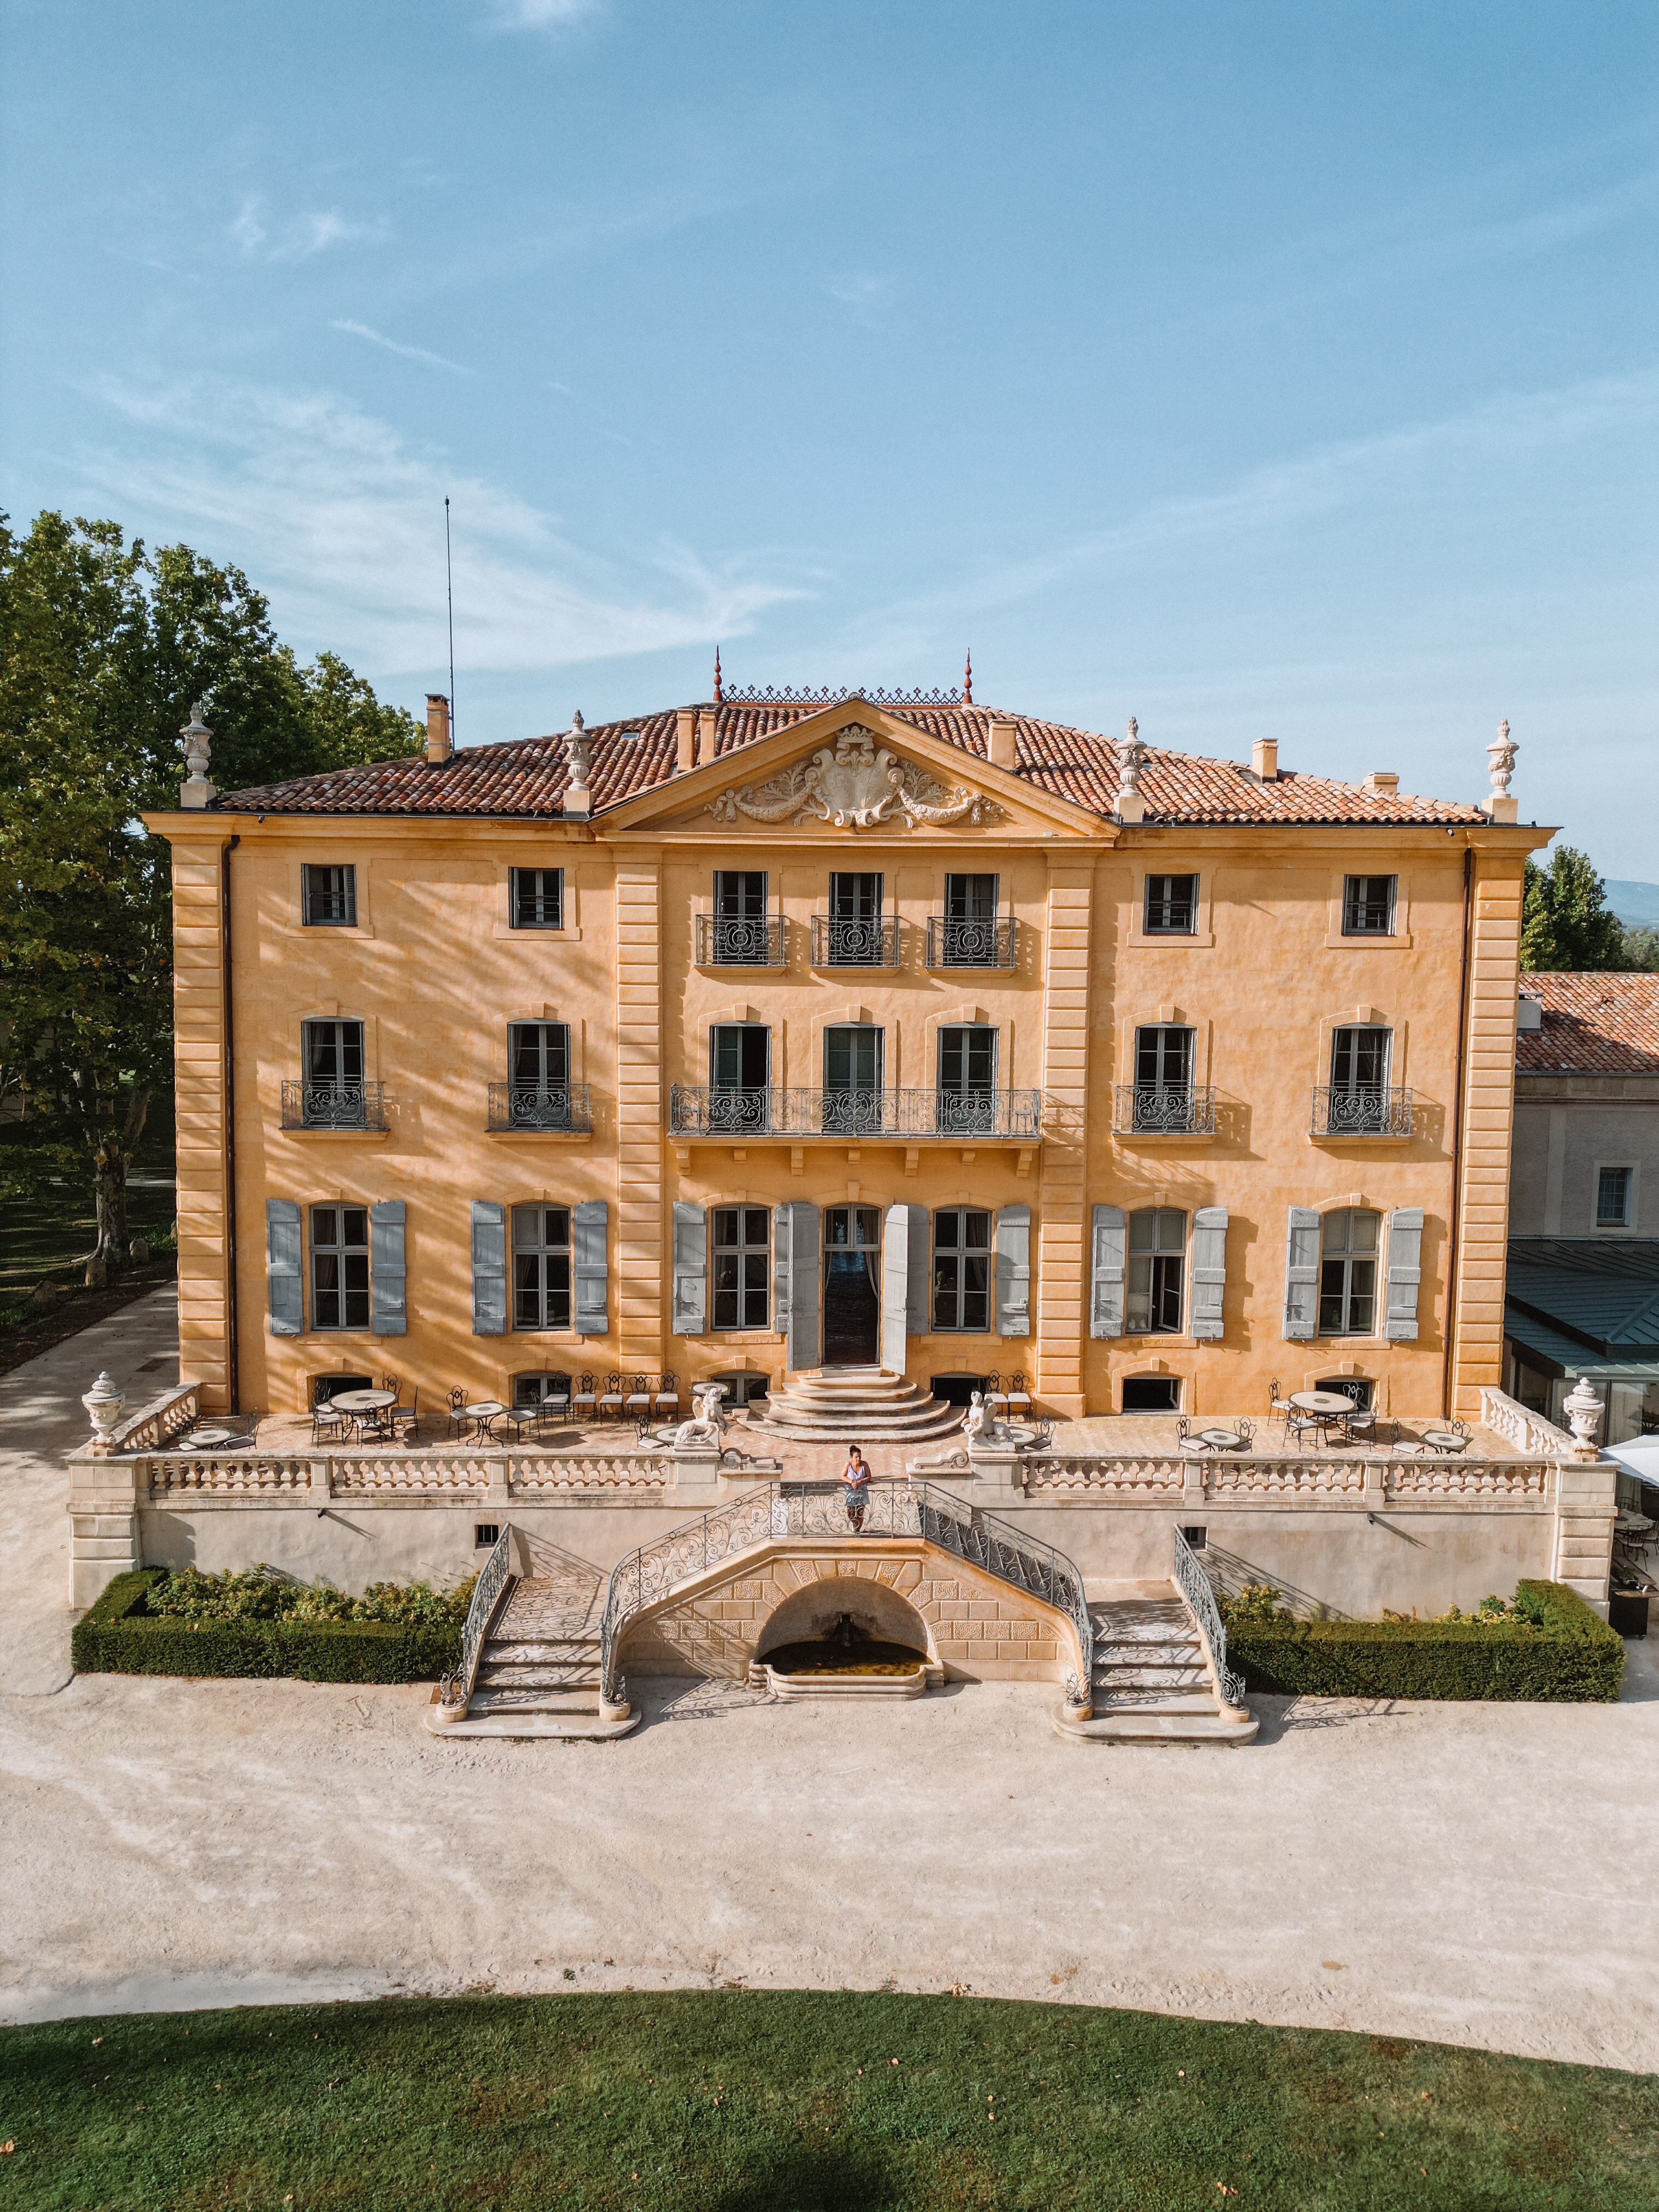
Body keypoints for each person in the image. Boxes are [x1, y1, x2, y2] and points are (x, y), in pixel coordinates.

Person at [841, 1443, 870, 1532]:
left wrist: (860, 1482)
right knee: (851, 1512)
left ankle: (857, 1531)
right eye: (856, 1457)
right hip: (851, 1492)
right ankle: (855, 1524)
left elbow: (869, 1477)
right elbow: (843, 1476)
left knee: (860, 1513)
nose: (858, 1459)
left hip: (862, 1492)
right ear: (852, 1457)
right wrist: (852, 1482)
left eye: (860, 1457)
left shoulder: (864, 1464)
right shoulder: (848, 1465)